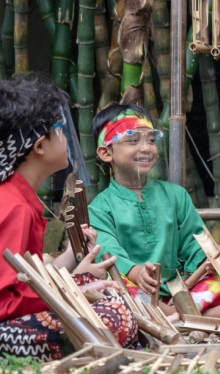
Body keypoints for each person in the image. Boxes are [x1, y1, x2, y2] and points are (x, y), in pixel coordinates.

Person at [0, 74, 137, 360]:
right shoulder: (14, 207)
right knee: (116, 316)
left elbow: (27, 280)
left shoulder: (17, 197)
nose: (66, 137)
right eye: (60, 129)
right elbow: (4, 302)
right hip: (6, 331)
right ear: (39, 146)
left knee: (98, 293)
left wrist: (72, 261)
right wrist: (72, 293)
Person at [89, 104, 220, 318]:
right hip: (136, 292)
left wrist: (208, 260)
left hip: (179, 292)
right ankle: (195, 316)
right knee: (109, 285)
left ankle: (176, 316)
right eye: (133, 140)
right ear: (106, 153)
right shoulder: (98, 208)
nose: (146, 148)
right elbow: (108, 255)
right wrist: (136, 273)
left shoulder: (176, 195)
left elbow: (195, 241)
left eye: (151, 140)